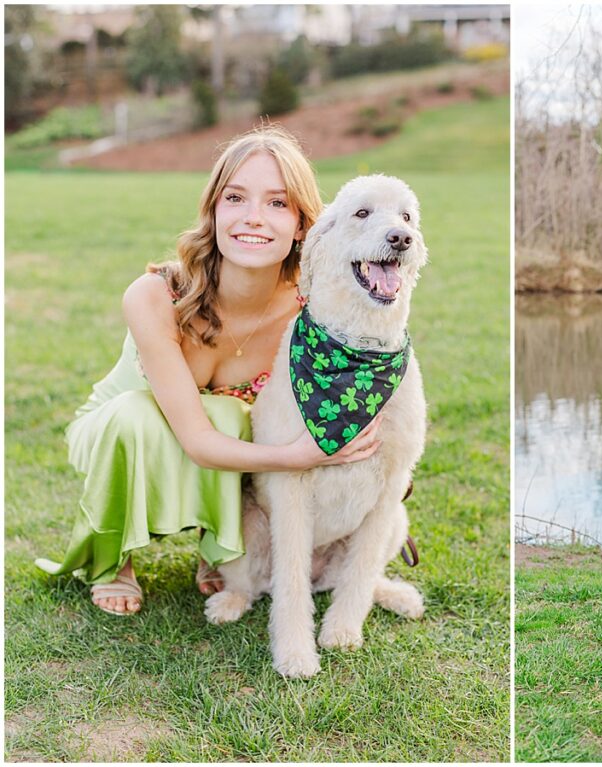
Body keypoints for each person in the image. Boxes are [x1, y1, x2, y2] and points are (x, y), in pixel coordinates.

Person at [36, 126, 381, 615]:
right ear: (214, 210)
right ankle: (113, 562)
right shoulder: (156, 295)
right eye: (235, 197)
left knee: (239, 417)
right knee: (168, 415)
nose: (253, 218)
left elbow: (355, 384)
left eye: (277, 204)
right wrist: (302, 455)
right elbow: (197, 438)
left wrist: (378, 465)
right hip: (120, 433)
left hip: (228, 447)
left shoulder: (312, 309)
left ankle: (220, 547)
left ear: (304, 223)